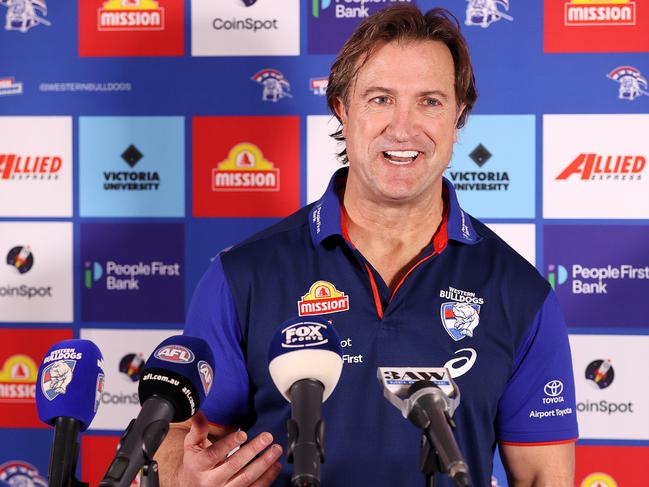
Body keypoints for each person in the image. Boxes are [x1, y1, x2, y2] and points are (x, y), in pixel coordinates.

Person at [156, 5, 578, 486]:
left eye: (430, 101)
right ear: (342, 107)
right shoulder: (243, 275)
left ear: (458, 115)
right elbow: (180, 435)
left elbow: (545, 475)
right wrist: (178, 475)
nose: (403, 127)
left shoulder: (520, 292)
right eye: (380, 99)